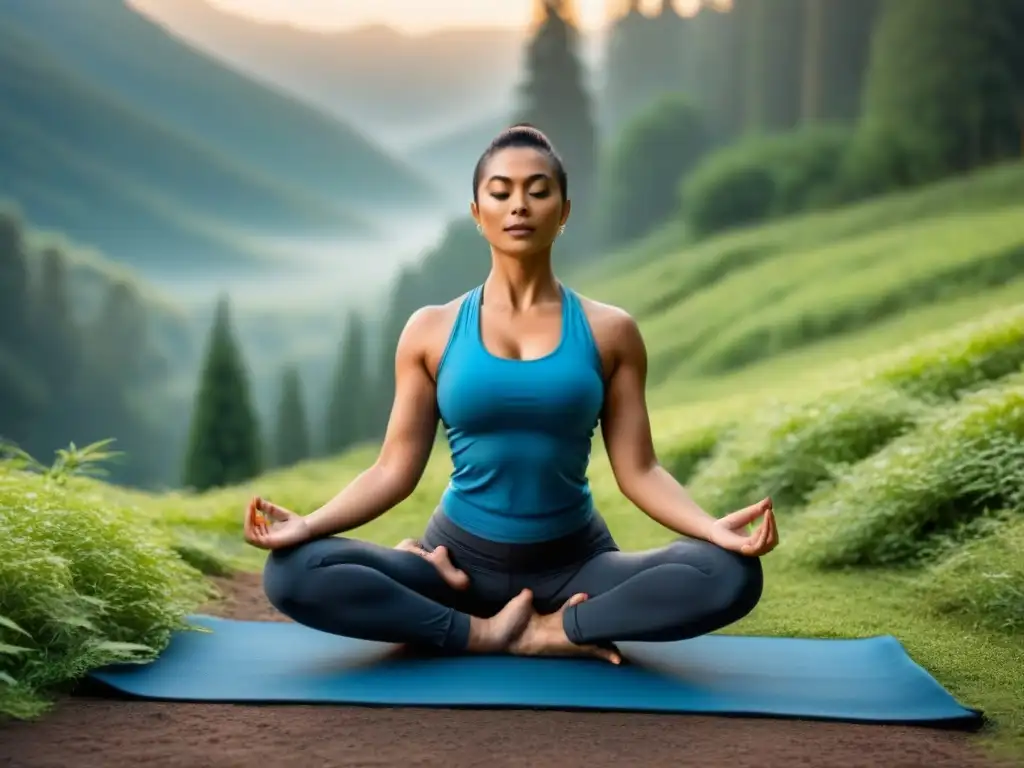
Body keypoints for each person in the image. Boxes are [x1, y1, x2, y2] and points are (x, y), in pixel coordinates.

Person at [242, 124, 778, 665]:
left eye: (538, 191)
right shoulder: (431, 329)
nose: (519, 205)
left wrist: (712, 527)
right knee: (291, 570)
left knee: (729, 573)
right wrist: (309, 524)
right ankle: (480, 632)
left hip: (576, 567)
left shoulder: (611, 331)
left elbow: (639, 470)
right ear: (478, 213)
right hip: (452, 563)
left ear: (563, 211)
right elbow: (391, 471)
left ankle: (554, 629)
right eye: (500, 192)